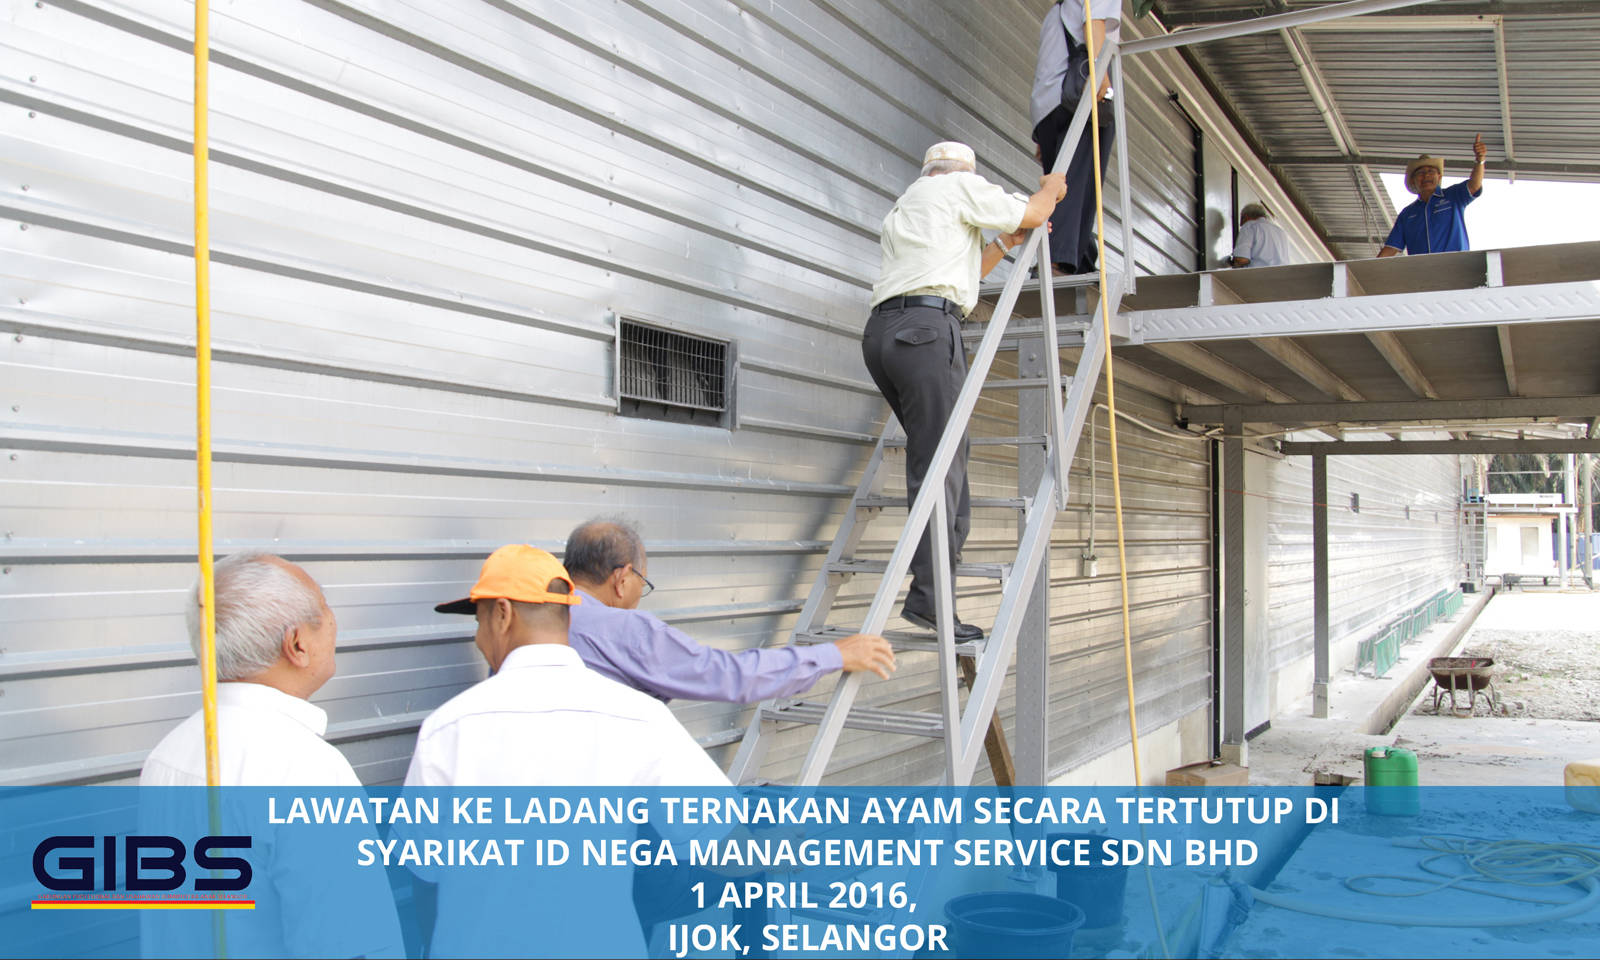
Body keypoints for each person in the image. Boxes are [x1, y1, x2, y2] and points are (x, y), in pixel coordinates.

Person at [406, 544, 732, 957]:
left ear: (503, 614)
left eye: (479, 620)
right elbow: (724, 847)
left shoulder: (448, 727)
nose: (478, 637)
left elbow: (425, 874)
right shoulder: (640, 717)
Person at [140, 553, 403, 958]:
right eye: (325, 609)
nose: (335, 622)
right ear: (297, 644)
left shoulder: (166, 755)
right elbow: (348, 946)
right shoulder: (305, 768)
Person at [866, 142, 1066, 641]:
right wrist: (1053, 185)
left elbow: (963, 272)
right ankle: (931, 602)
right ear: (961, 172)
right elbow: (1037, 211)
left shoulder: (907, 203)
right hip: (927, 333)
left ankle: (935, 588)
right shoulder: (959, 186)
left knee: (944, 457)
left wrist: (1004, 244)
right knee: (940, 465)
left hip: (884, 336)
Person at [562, 517, 895, 702]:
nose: (639, 595)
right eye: (642, 583)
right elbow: (729, 675)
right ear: (622, 578)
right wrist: (831, 655)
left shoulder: (540, 615)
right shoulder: (623, 631)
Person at [1031, 0, 1120, 275]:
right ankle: (1057, 261)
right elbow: (1094, 23)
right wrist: (1101, 78)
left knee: (1062, 188)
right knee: (1080, 183)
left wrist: (1042, 134)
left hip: (1048, 109)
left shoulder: (1056, 11)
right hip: (1076, 101)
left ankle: (1078, 257)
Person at [1378, 135, 1487, 257]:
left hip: (1456, 265)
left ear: (1439, 177)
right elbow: (1390, 248)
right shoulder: (1407, 214)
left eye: (1431, 171)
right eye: (1420, 173)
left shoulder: (1453, 196)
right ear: (1413, 180)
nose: (1426, 176)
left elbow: (1474, 185)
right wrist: (1367, 268)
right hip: (1423, 269)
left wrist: (1480, 160)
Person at [1229, 203, 1295, 268]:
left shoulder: (1250, 226)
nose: (1241, 225)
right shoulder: (1280, 231)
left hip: (1260, 273)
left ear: (1246, 217)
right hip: (1283, 273)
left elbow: (1242, 259)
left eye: (1242, 221)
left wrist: (1229, 262)